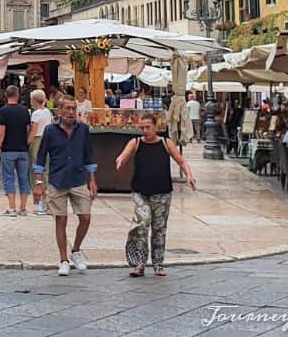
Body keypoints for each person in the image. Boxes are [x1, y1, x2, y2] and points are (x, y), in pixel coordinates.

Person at [116, 113, 196, 277]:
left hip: (162, 193)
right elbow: (124, 154)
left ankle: (158, 264)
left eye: (148, 127)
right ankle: (139, 263)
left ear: (155, 126)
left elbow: (181, 160)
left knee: (159, 229)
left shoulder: (166, 143)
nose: (145, 131)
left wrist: (189, 175)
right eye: (142, 128)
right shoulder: (136, 142)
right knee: (142, 225)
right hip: (140, 192)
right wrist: (120, 160)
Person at [34, 96, 98, 275]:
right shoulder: (50, 131)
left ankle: (76, 250)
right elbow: (40, 157)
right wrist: (39, 183)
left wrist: (92, 179)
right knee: (61, 219)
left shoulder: (83, 130)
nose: (71, 112)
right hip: (57, 180)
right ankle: (63, 260)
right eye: (67, 109)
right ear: (59, 111)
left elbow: (89, 154)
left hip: (78, 178)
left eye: (73, 108)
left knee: (85, 217)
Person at [0, 85, 32, 216]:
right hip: (22, 149)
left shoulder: (4, 111)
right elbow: (29, 129)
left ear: (6, 96)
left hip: (8, 149)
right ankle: (23, 207)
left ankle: (11, 207)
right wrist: (26, 142)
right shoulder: (24, 111)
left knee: (8, 177)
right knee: (23, 178)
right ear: (18, 95)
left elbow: (2, 130)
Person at [27, 89, 55, 215]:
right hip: (48, 141)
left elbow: (34, 131)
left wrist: (27, 143)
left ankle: (39, 201)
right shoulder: (48, 112)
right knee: (46, 171)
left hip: (38, 141)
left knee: (36, 171)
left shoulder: (36, 114)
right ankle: (47, 201)